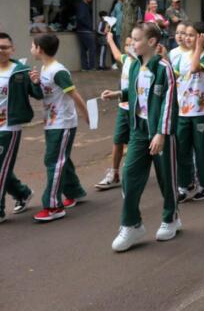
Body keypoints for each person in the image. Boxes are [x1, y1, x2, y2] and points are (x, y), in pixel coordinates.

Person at [101, 23, 179, 252]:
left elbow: (168, 102)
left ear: (152, 42)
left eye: (136, 39)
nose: (132, 43)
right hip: (138, 130)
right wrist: (119, 93)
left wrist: (161, 133)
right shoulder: (135, 65)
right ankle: (132, 224)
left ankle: (171, 217)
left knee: (167, 178)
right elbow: (137, 92)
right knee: (129, 176)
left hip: (159, 131)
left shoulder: (164, 68)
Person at [30, 33, 89, 222]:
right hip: (51, 122)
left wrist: (87, 115)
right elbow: (44, 94)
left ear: (39, 49)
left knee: (54, 161)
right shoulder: (45, 68)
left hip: (62, 123)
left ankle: (53, 206)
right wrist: (37, 82)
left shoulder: (58, 71)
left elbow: (74, 94)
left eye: (33, 45)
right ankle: (75, 191)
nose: (31, 49)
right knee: (62, 159)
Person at [174, 22, 204, 202]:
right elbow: (175, 78)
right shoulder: (180, 57)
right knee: (182, 151)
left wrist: (198, 48)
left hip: (200, 112)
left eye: (192, 35)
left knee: (201, 151)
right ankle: (184, 185)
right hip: (182, 112)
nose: (187, 38)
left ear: (202, 37)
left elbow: (194, 68)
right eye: (186, 35)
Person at [0, 33, 38, 223]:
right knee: (2, 167)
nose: (1, 50)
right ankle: (22, 193)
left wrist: (37, 81)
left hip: (9, 127)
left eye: (5, 47)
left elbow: (38, 94)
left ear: (12, 49)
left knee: (1, 168)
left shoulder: (20, 71)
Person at [95, 32, 135, 190]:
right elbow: (117, 55)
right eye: (126, 44)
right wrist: (110, 40)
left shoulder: (142, 64)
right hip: (122, 108)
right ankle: (114, 173)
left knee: (135, 143)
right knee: (118, 140)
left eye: (132, 44)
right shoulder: (126, 60)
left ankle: (132, 173)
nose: (129, 47)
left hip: (137, 111)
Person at [75, 0, 97, 71]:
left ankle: (84, 67)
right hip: (85, 30)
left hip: (81, 30)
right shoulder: (82, 5)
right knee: (92, 48)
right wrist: (90, 26)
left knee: (83, 49)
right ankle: (91, 67)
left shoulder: (84, 5)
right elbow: (81, 18)